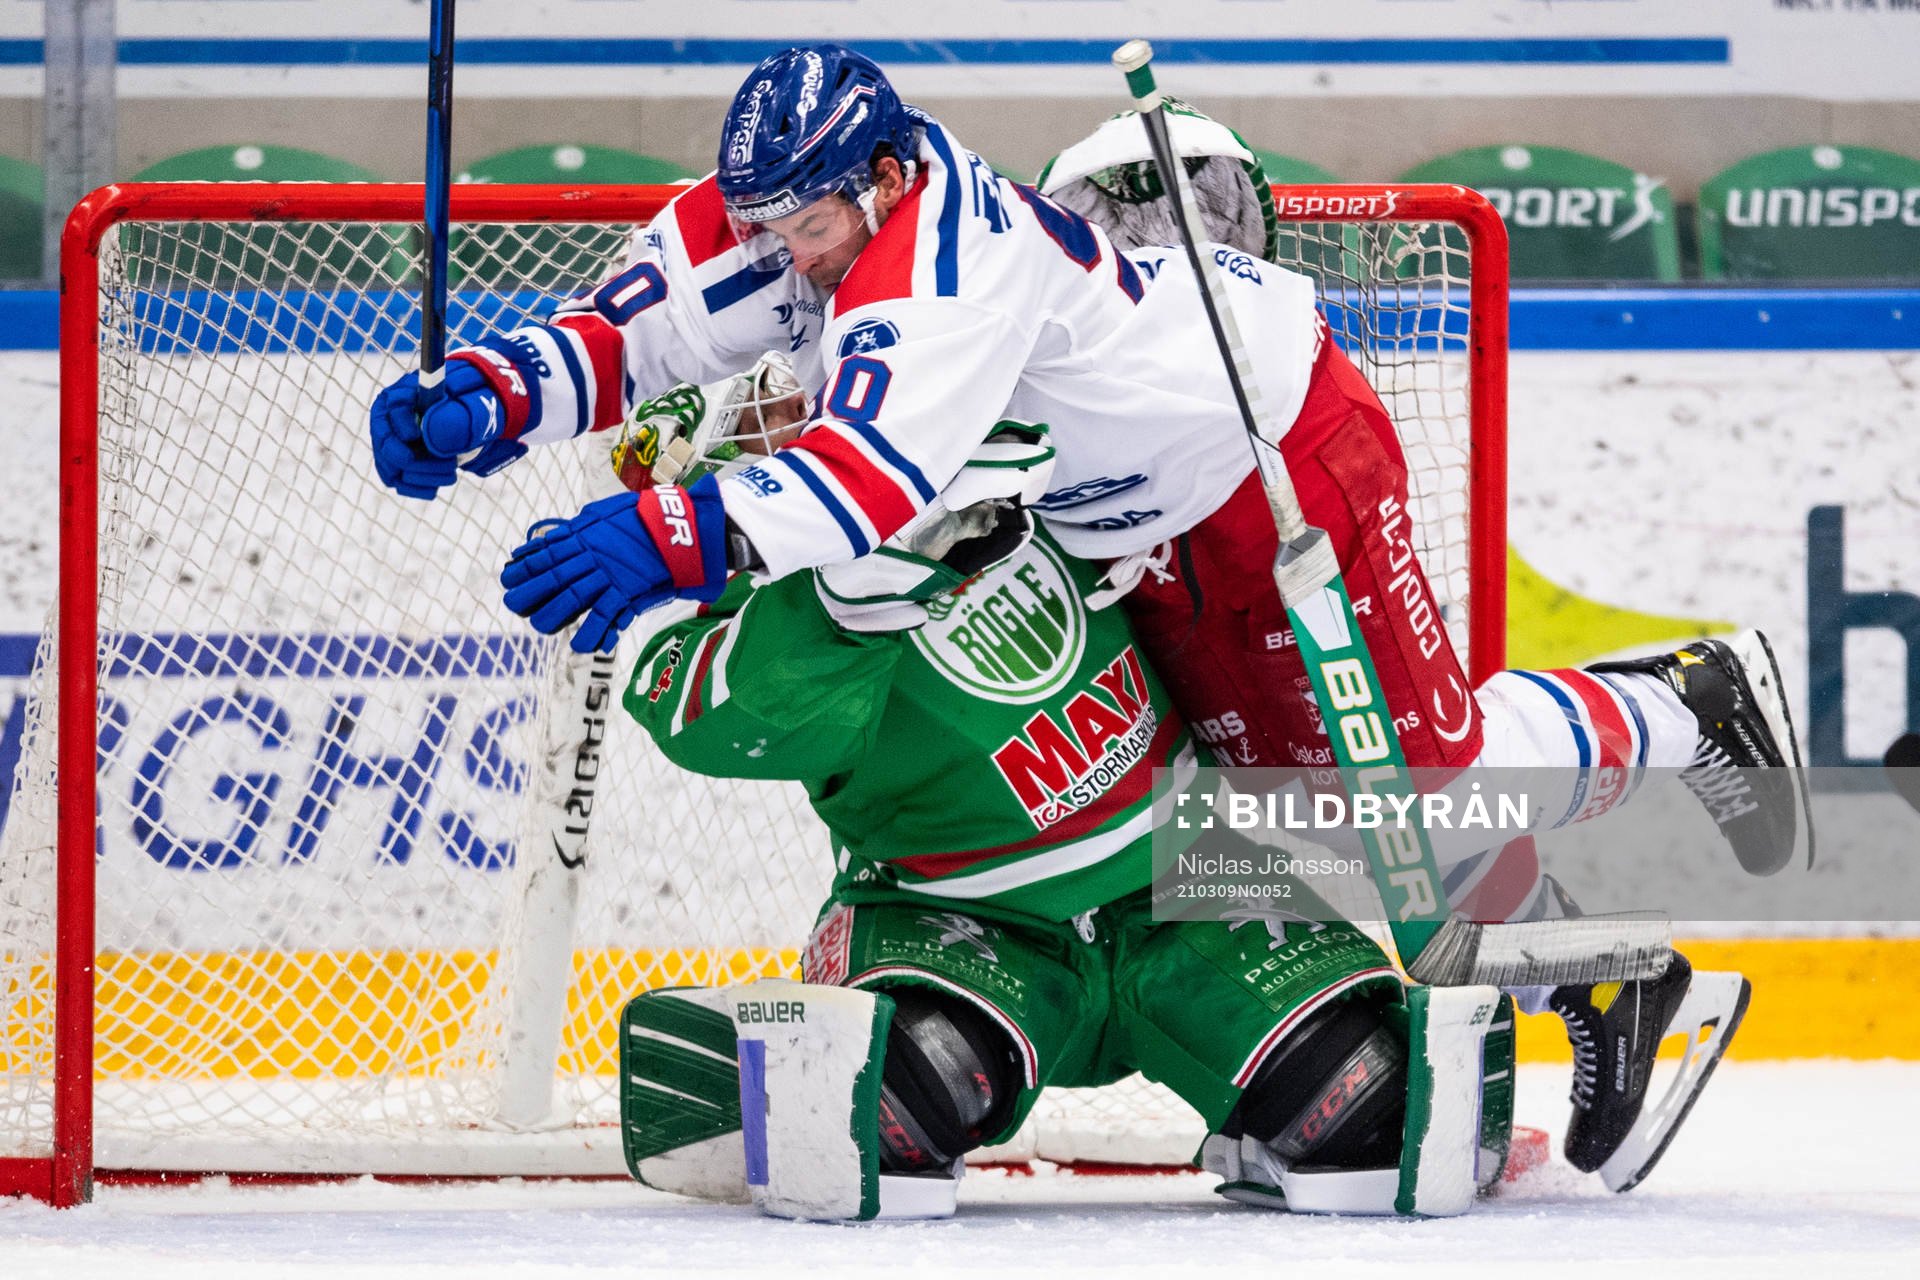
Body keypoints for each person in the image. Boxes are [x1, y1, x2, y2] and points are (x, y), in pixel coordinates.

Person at [367, 44, 1786, 1179]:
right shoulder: (797, 210)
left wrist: (668, 531)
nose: (783, 257)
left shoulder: (945, 268)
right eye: (760, 226)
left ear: (879, 182)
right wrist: (493, 396)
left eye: (806, 228)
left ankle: (1679, 707)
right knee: (1279, 792)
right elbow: (636, 332)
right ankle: (1595, 962)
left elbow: (868, 479)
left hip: (1267, 446)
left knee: (1404, 780)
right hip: (1131, 514)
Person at [605, 369, 1506, 1219]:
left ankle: (1295, 1102)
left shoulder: (997, 457)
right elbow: (727, 713)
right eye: (761, 425)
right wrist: (851, 597)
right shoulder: (732, 631)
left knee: (1372, 1103)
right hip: (965, 922)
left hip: (1190, 882)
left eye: (792, 401)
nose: (800, 421)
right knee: (891, 1112)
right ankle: (775, 1073)